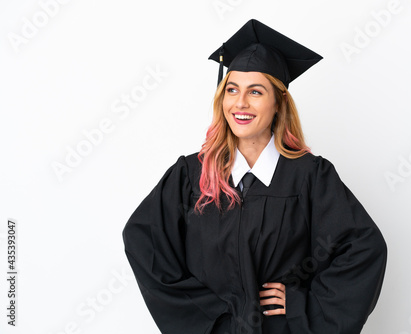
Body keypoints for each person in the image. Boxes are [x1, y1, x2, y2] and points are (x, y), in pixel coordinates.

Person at [122, 19, 387, 334]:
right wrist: (206, 315)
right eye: (232, 89)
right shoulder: (190, 175)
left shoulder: (309, 176)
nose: (240, 102)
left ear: (278, 103)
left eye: (256, 91)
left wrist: (304, 303)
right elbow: (146, 242)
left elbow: (363, 248)